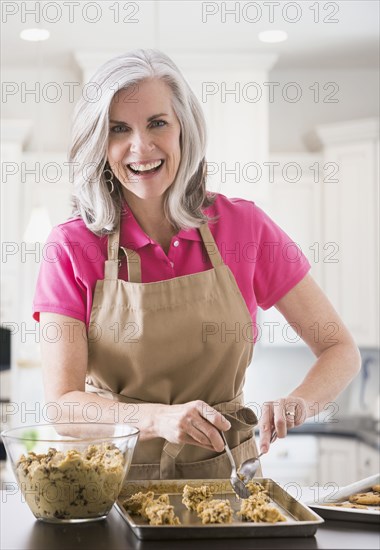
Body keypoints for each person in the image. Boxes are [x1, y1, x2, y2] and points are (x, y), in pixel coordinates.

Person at [33, 49, 361, 480]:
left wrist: (296, 403)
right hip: (113, 485)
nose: (141, 147)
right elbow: (63, 405)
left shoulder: (244, 227)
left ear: (184, 130)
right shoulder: (72, 246)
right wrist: (157, 419)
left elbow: (340, 350)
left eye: (157, 123)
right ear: (101, 143)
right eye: (119, 129)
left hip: (231, 486)